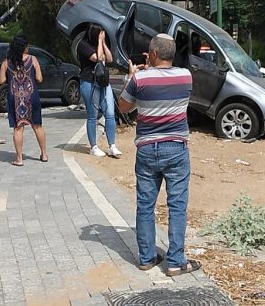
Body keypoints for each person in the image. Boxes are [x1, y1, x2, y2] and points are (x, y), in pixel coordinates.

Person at [118, 33, 199, 276]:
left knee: (145, 204)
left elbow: (123, 107)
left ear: (152, 54)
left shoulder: (140, 79)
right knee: (177, 205)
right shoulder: (186, 76)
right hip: (176, 148)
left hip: (146, 150)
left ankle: (146, 257)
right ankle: (176, 261)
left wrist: (132, 76)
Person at [0, 34, 48, 166]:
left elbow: (1, 80)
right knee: (37, 126)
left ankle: (19, 159)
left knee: (18, 128)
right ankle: (44, 154)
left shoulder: (6, 62)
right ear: (24, 47)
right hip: (32, 96)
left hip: (14, 98)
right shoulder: (33, 59)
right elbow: (39, 79)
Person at [76, 24, 121, 157]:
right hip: (89, 82)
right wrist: (100, 42)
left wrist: (104, 43)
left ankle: (112, 145)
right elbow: (98, 58)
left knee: (110, 113)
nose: (102, 36)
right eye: (100, 34)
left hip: (103, 82)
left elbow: (109, 58)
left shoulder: (100, 44)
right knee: (92, 115)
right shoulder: (83, 45)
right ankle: (93, 146)